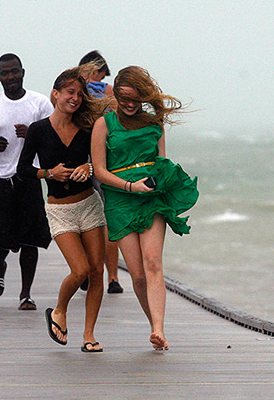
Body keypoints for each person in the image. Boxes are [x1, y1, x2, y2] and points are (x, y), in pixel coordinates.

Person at [91, 66, 199, 350]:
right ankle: (153, 321)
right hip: (120, 200)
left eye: (135, 99)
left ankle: (158, 329)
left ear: (143, 97)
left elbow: (162, 161)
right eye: (124, 98)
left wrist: (158, 186)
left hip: (151, 197)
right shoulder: (104, 124)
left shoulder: (155, 123)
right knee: (137, 274)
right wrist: (130, 186)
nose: (128, 104)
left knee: (153, 263)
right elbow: (99, 171)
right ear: (115, 93)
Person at [18, 67, 109, 352]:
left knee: (97, 272)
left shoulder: (87, 127)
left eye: (80, 94)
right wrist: (48, 173)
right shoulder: (38, 130)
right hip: (60, 211)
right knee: (79, 270)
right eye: (70, 92)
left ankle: (89, 335)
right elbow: (22, 170)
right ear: (56, 94)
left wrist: (89, 167)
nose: (76, 98)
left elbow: (102, 162)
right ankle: (59, 311)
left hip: (89, 205)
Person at [0, 53, 54, 310]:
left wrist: (32, 135)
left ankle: (26, 294)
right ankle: (0, 262)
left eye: (14, 72)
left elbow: (54, 140)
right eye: (5, 73)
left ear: (23, 72)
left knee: (30, 239)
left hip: (28, 178)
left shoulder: (40, 103)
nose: (10, 77)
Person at [78, 50, 123, 294]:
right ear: (97, 70)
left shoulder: (75, 91)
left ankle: (88, 270)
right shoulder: (108, 93)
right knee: (107, 220)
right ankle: (112, 278)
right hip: (105, 158)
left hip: (82, 157)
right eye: (102, 73)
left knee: (85, 218)